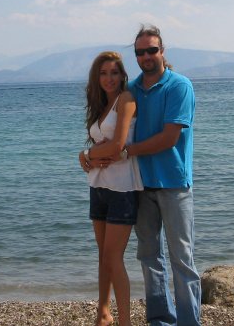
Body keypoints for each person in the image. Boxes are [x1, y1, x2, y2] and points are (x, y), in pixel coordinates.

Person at [124, 25, 201, 326]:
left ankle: (189, 321)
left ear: (162, 51)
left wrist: (128, 151)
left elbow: (169, 138)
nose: (146, 56)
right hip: (140, 184)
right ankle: (160, 319)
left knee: (182, 258)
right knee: (148, 256)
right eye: (140, 52)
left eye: (151, 50)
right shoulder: (131, 90)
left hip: (174, 185)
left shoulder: (179, 86)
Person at [78, 51, 143, 326]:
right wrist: (89, 157)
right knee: (103, 256)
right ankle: (102, 314)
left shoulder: (125, 100)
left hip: (122, 189)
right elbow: (100, 147)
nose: (109, 78)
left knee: (114, 258)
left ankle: (125, 321)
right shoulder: (101, 105)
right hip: (98, 186)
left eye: (114, 73)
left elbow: (117, 146)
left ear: (122, 75)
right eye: (103, 73)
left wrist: (87, 155)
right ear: (97, 77)